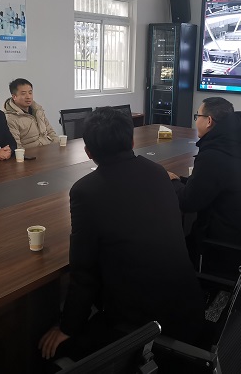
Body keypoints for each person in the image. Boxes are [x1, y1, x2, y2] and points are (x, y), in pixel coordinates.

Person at [38, 107, 205, 362]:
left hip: (140, 324)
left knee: (47, 352)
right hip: (188, 305)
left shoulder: (86, 191)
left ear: (88, 152)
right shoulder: (158, 172)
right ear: (132, 141)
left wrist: (67, 326)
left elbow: (84, 272)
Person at [167, 97, 241, 272]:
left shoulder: (214, 154)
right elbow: (217, 183)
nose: (196, 121)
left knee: (169, 249)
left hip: (222, 248)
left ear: (208, 121)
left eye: (197, 116)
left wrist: (173, 181)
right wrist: (185, 180)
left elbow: (188, 202)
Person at [3, 78, 58, 148]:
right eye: (23, 94)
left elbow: (50, 132)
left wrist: (59, 147)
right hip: (30, 153)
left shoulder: (38, 110)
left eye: (30, 93)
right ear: (14, 97)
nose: (28, 97)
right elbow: (17, 147)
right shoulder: (10, 118)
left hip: (47, 149)